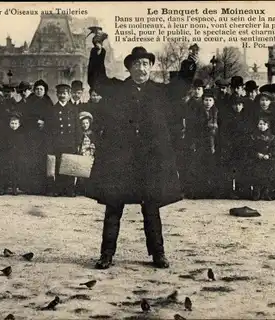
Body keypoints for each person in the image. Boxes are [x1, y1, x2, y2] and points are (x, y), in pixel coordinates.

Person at [86, 46, 181, 269]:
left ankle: (158, 254)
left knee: (151, 208)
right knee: (113, 206)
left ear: (151, 67)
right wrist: (98, 53)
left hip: (148, 162)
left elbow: (180, 88)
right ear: (129, 68)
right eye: (137, 64)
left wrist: (190, 64)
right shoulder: (117, 89)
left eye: (146, 64)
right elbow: (96, 80)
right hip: (121, 160)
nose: (142, 68)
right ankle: (106, 255)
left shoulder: (159, 91)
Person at [45, 83, 82, 197]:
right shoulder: (52, 109)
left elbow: (77, 127)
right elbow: (49, 129)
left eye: (64, 93)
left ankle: (69, 189)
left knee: (69, 166)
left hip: (70, 142)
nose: (62, 96)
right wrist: (50, 144)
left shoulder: (73, 109)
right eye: (60, 93)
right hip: (57, 142)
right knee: (59, 166)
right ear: (57, 94)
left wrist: (78, 142)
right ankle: (58, 189)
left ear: (69, 94)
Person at [20, 79, 53, 195]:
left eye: (41, 89)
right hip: (31, 135)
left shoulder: (48, 102)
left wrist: (45, 123)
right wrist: (35, 122)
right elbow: (24, 117)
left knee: (43, 160)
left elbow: (52, 117)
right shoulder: (29, 101)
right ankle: (31, 187)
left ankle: (43, 187)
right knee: (32, 160)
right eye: (37, 89)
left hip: (44, 136)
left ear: (45, 91)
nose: (39, 91)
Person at [191, 89, 219, 199]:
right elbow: (193, 128)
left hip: (213, 142)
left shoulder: (216, 112)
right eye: (206, 100)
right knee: (199, 166)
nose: (208, 102)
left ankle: (210, 191)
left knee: (211, 166)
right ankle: (199, 191)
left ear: (213, 102)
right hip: (200, 142)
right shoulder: (197, 111)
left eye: (210, 100)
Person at [0, 111, 25, 195]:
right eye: (12, 123)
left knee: (16, 171)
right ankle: (3, 188)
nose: (13, 125)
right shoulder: (6, 134)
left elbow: (22, 147)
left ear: (19, 124)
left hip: (17, 156)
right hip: (7, 155)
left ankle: (15, 188)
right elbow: (3, 145)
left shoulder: (21, 135)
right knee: (4, 170)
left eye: (15, 123)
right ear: (9, 124)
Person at [248, 117, 275, 201]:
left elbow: (274, 149)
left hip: (268, 160)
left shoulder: (272, 137)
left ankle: (266, 193)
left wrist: (269, 155)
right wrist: (257, 154)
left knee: (267, 178)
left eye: (264, 124)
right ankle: (256, 193)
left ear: (268, 126)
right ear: (257, 125)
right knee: (257, 177)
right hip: (257, 160)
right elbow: (250, 148)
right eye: (260, 124)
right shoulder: (253, 137)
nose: (262, 126)